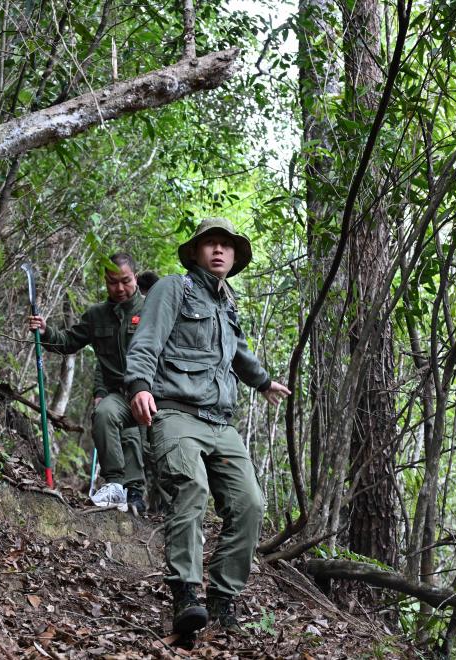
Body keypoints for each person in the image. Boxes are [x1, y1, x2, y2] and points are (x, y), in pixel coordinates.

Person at [123, 218, 290, 636]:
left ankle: (222, 600)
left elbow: (239, 354)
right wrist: (139, 385)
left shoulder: (226, 304)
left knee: (250, 504)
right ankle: (185, 594)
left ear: (234, 257)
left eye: (226, 245)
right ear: (196, 252)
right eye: (210, 243)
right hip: (176, 412)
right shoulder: (172, 289)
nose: (218, 250)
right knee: (191, 488)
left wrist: (263, 382)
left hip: (220, 422)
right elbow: (147, 340)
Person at [26, 252, 148, 514]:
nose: (120, 288)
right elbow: (68, 341)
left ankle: (157, 501)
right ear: (105, 281)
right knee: (104, 415)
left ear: (136, 278)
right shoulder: (96, 315)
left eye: (126, 281)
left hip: (155, 393)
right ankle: (117, 485)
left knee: (155, 443)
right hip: (119, 395)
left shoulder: (152, 310)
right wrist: (46, 331)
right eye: (113, 282)